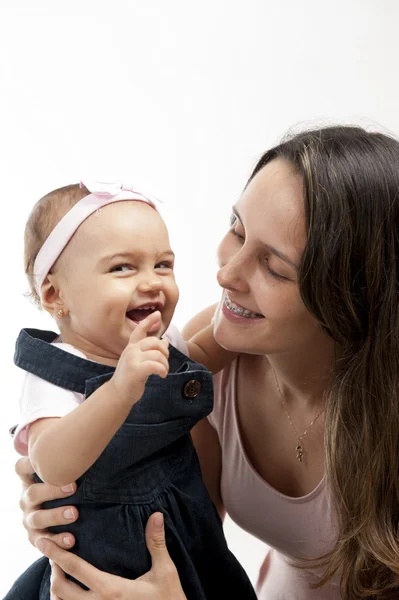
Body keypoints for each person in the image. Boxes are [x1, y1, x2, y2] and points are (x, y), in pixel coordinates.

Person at [14, 124, 399, 600]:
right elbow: (186, 517)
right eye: (236, 229)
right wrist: (66, 511)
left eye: (274, 267)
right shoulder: (213, 352)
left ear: (351, 296)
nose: (224, 273)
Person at [5, 180, 256, 600]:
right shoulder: (54, 373)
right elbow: (50, 463)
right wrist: (119, 390)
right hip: (105, 559)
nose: (152, 281)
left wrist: (244, 312)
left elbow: (197, 358)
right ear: (55, 294)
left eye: (163, 265)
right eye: (122, 268)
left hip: (188, 537)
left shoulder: (160, 340)